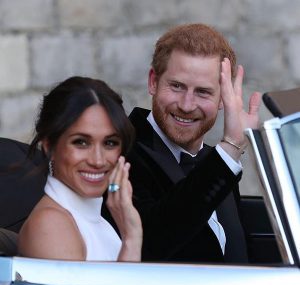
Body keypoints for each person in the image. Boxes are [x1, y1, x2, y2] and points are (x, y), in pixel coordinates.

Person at [102, 23, 261, 263]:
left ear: (223, 99)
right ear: (153, 82)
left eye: (203, 92)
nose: (186, 105)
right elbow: (152, 243)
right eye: (176, 86)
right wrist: (230, 148)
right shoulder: (118, 152)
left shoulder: (215, 161)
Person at [18, 76, 142, 262]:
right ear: (49, 145)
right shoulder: (51, 225)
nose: (98, 160)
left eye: (110, 143)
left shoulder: (96, 221)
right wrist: (132, 240)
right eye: (81, 142)